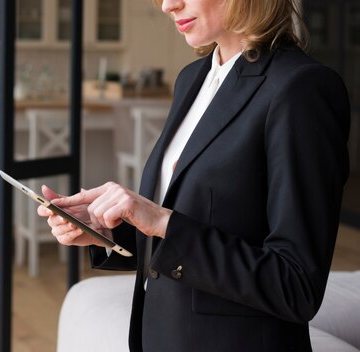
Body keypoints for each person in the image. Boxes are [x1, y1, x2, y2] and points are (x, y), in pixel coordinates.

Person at [37, 0, 350, 351]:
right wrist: (108, 231)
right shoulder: (193, 78)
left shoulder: (301, 88)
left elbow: (296, 286)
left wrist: (162, 220)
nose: (168, 5)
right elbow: (200, 226)